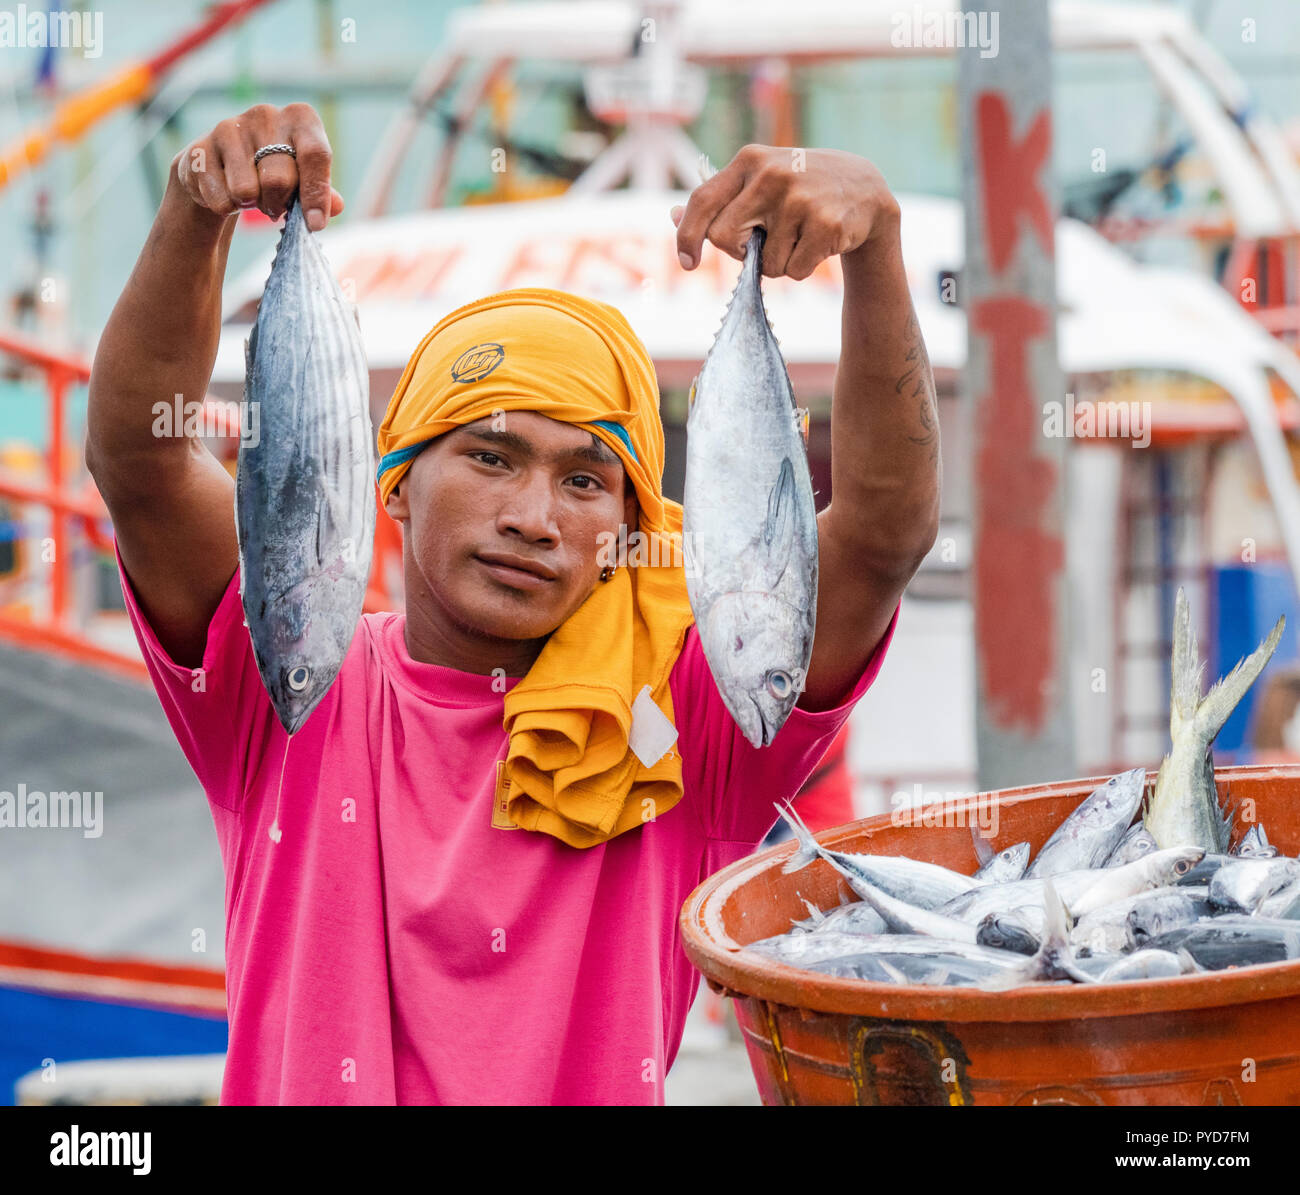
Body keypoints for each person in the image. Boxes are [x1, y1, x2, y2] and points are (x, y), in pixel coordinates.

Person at [85, 102, 940, 1105]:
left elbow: (881, 537)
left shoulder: (683, 729)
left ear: (629, 520)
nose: (534, 516)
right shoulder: (285, 675)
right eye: (490, 456)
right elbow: (139, 460)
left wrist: (876, 243)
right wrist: (196, 205)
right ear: (393, 481)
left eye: (586, 482)